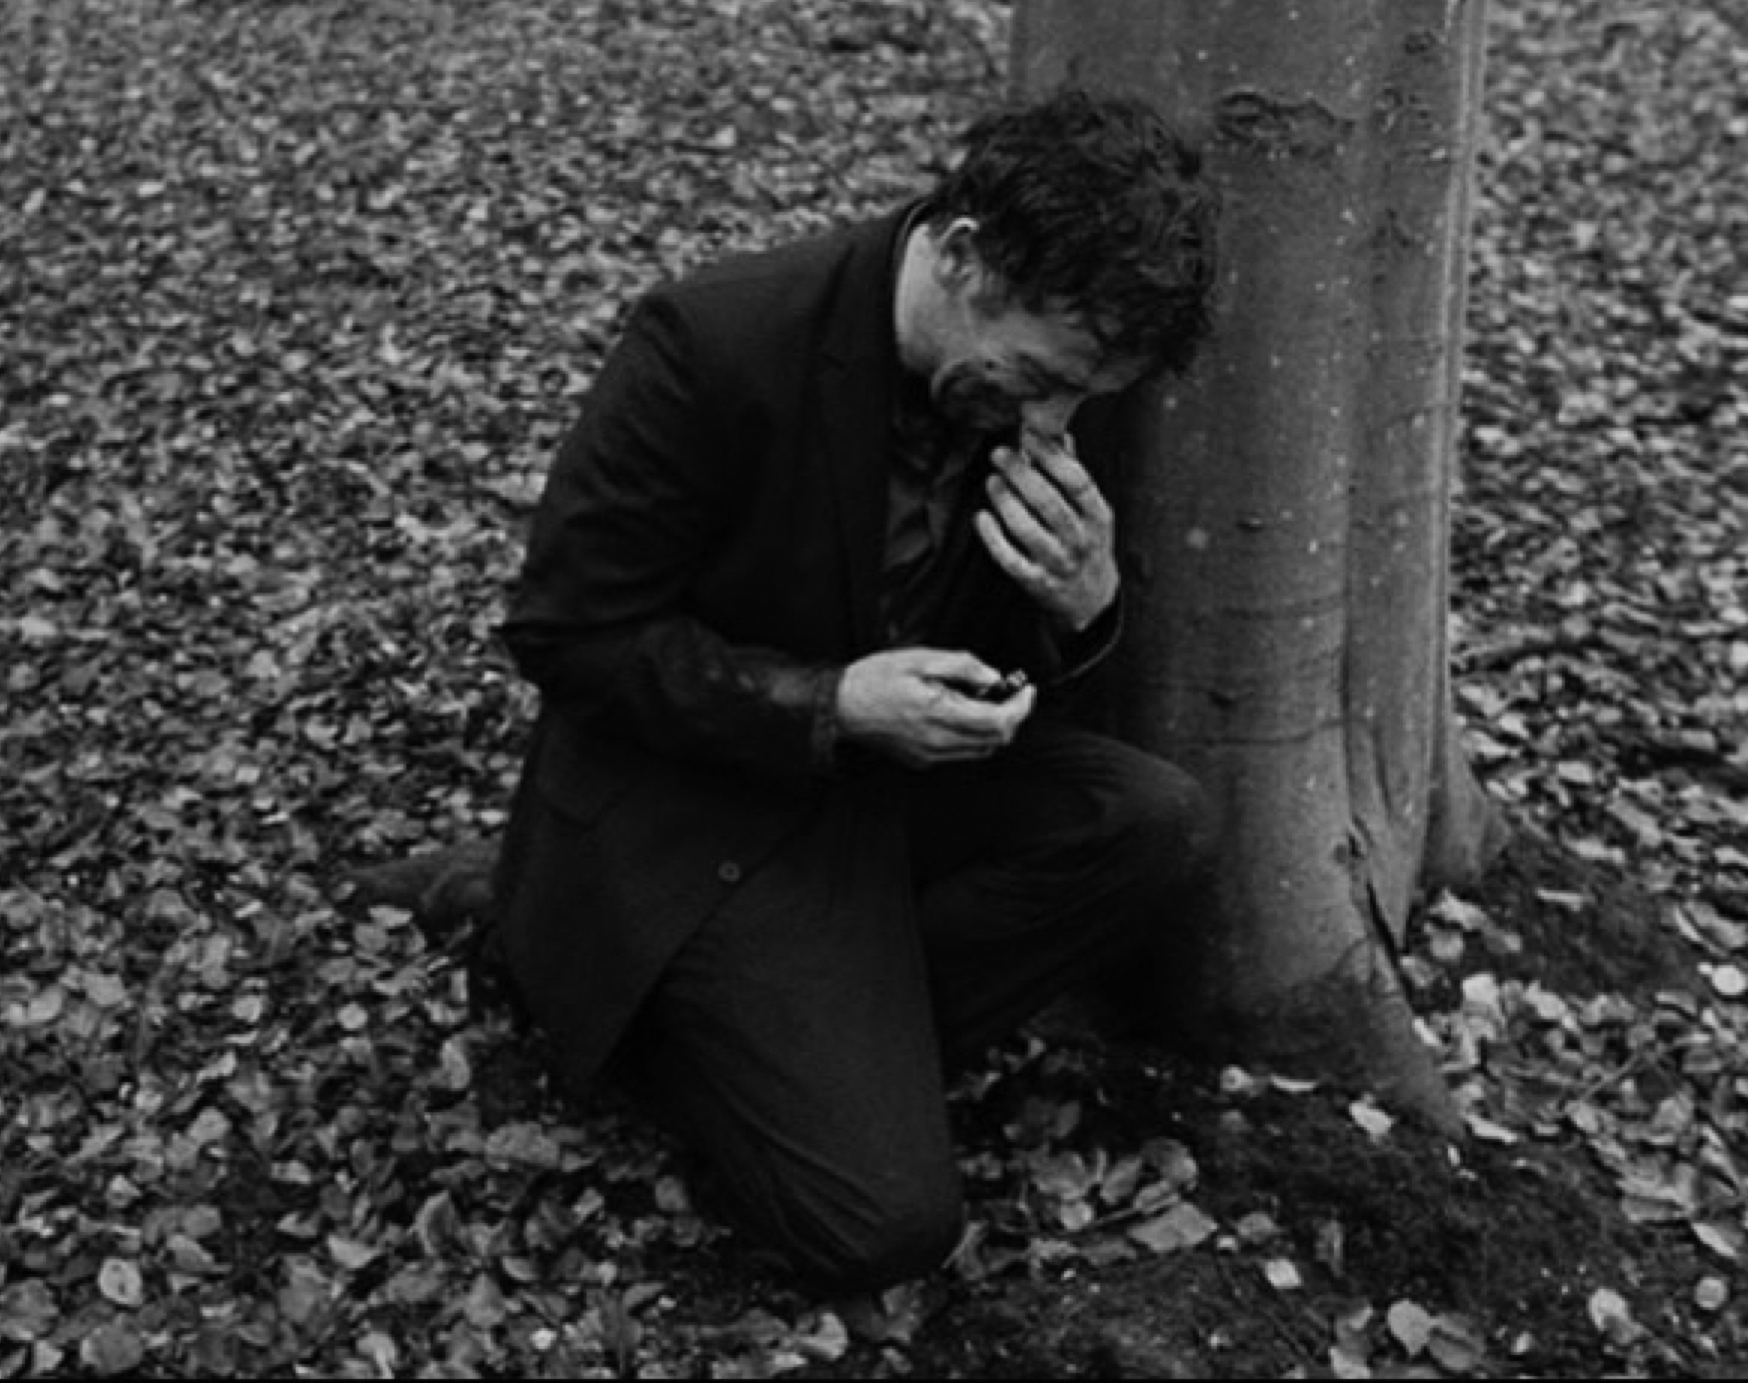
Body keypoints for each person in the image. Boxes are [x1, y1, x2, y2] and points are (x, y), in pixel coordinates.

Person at [486, 89, 1223, 1291]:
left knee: (1154, 824)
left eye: (1085, 396)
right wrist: (829, 703)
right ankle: (671, 1031)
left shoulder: (1037, 379)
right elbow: (566, 633)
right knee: (882, 1225)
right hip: (697, 812)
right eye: (1043, 378)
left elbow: (1021, 653)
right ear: (966, 257)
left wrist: (1080, 607)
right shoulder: (714, 342)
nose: (1054, 422)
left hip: (883, 800)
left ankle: (830, 1045)